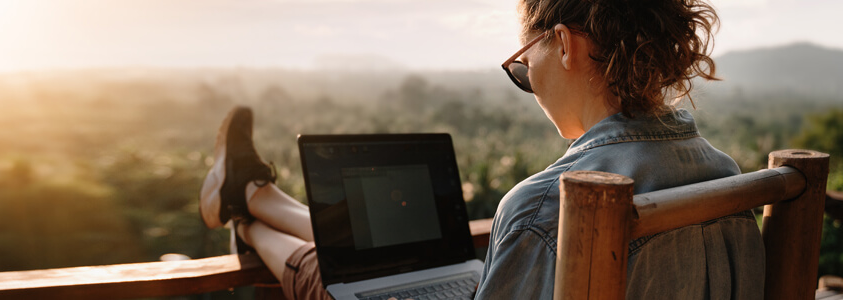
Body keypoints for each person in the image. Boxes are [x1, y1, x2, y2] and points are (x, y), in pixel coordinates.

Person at [197, 0, 764, 299]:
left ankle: (247, 217)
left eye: (523, 64)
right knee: (378, 262)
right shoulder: (725, 176)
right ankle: (255, 196)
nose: (528, 80)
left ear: (563, 44)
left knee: (335, 275)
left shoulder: (550, 206)